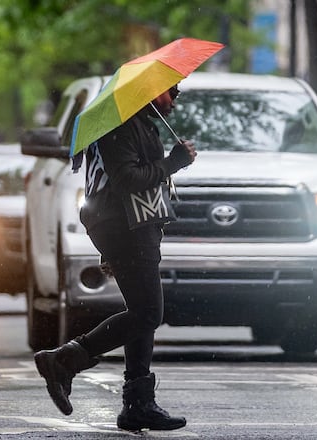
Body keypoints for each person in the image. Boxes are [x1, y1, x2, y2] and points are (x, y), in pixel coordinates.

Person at [34, 84, 196, 431]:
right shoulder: (122, 127)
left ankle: (138, 404)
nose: (175, 99)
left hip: (133, 226)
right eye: (171, 92)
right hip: (124, 227)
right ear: (150, 93)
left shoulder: (139, 123)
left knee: (142, 313)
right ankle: (65, 360)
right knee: (149, 312)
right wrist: (173, 162)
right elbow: (126, 181)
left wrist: (168, 163)